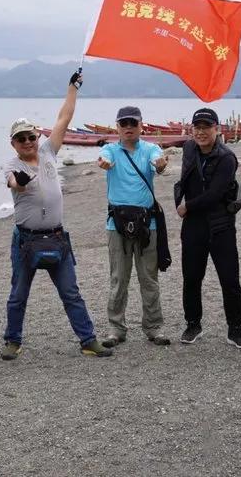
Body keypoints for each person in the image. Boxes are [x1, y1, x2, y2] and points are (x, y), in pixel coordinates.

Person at [2, 71, 113, 360]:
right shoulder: (12, 165)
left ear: (37, 136)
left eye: (30, 136)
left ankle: (88, 340)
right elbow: (14, 183)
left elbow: (64, 117)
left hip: (56, 237)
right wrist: (19, 182)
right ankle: (12, 341)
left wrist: (72, 88)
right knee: (18, 294)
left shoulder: (49, 151)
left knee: (71, 293)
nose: (27, 141)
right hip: (25, 241)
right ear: (13, 143)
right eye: (20, 139)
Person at [175, 108, 241, 348]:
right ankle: (193, 324)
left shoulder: (227, 158)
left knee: (229, 279)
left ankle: (235, 329)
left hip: (220, 225)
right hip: (193, 226)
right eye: (197, 127)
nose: (201, 132)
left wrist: (187, 206)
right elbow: (184, 180)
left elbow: (216, 193)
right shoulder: (189, 149)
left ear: (216, 129)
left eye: (206, 127)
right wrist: (179, 200)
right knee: (191, 277)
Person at [97, 105, 170, 347]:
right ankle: (116, 327)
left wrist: (160, 165)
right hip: (116, 224)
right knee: (119, 278)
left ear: (141, 126)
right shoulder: (110, 150)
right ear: (117, 127)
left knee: (149, 278)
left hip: (147, 223)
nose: (128, 127)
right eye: (123, 123)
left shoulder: (150, 149)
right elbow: (104, 159)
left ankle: (154, 326)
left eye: (133, 123)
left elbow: (157, 163)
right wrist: (104, 163)